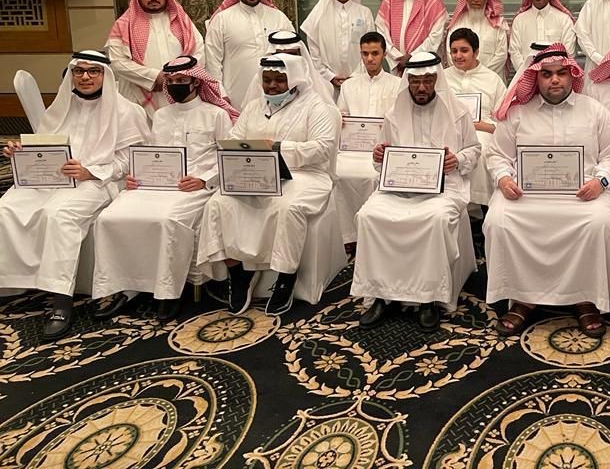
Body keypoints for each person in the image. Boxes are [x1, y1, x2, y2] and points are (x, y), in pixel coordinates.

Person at [0, 51, 148, 339]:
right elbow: (43, 147)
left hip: (99, 181)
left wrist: (89, 171)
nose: (85, 77)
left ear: (105, 75)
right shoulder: (60, 107)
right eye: (79, 71)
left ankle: (61, 301)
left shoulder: (127, 111)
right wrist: (19, 152)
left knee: (59, 215)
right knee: (7, 207)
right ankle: (12, 282)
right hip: (51, 179)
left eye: (93, 71)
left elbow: (132, 160)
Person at [485, 44, 610, 337]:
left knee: (598, 222)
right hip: (526, 194)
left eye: (561, 73)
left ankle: (586, 298)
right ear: (535, 78)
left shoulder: (594, 111)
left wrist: (600, 182)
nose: (555, 80)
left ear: (572, 74)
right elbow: (497, 154)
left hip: (584, 194)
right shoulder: (518, 113)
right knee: (498, 219)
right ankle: (522, 297)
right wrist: (503, 179)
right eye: (547, 74)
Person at [91, 56, 236, 321]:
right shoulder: (160, 115)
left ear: (196, 81)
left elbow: (228, 157)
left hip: (194, 187)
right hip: (156, 185)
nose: (175, 85)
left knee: (168, 220)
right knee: (110, 217)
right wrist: (136, 177)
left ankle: (168, 292)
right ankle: (124, 288)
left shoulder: (217, 115)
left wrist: (204, 180)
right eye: (171, 81)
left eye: (181, 80)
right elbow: (152, 154)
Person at [197, 54, 338, 317]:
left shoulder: (314, 106)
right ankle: (239, 274)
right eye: (267, 80)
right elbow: (234, 139)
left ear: (293, 80)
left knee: (286, 207)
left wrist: (278, 149)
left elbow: (322, 149)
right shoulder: (253, 106)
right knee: (218, 203)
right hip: (255, 175)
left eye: (279, 80)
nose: (272, 86)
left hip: (304, 175)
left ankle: (285, 277)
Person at [351, 52, 481, 331]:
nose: (421, 87)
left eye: (428, 81)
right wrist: (378, 155)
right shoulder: (393, 114)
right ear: (407, 82)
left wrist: (458, 159)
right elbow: (381, 159)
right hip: (398, 189)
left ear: (437, 80)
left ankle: (428, 299)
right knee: (369, 216)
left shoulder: (457, 112)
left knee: (434, 220)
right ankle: (380, 295)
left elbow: (474, 149)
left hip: (444, 188)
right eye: (415, 82)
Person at [335, 31, 404, 254]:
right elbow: (341, 115)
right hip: (351, 150)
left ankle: (374, 233)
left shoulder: (398, 84)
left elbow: (401, 121)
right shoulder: (349, 86)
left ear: (384, 54)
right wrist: (340, 119)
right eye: (365, 54)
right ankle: (348, 236)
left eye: (375, 53)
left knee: (375, 176)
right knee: (338, 174)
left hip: (383, 151)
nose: (370, 59)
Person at [107, 0, 206, 116]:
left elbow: (199, 51)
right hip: (137, 98)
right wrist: (154, 77)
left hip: (180, 92)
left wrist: (181, 76)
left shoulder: (182, 21)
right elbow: (117, 62)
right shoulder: (123, 25)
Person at [205, 0, 294, 107]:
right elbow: (212, 61)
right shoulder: (222, 19)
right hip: (236, 96)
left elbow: (294, 55)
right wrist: (220, 93)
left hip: (277, 94)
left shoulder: (279, 17)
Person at [446, 27, 507, 212]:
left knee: (481, 150)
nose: (458, 56)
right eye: (454, 51)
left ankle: (481, 207)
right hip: (447, 131)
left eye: (464, 50)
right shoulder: (442, 78)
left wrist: (479, 125)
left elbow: (505, 122)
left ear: (476, 52)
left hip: (483, 131)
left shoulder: (492, 79)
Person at [302, 0, 376, 89]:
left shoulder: (364, 13)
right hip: (326, 83)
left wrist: (356, 76)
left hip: (360, 81)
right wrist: (328, 76)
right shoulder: (319, 15)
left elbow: (372, 46)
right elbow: (314, 49)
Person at [375, 0, 448, 74]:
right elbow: (382, 34)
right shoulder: (388, 3)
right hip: (398, 67)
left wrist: (412, 57)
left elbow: (436, 37)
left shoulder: (433, 3)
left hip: (425, 66)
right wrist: (397, 58)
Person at [508, 0, 576, 71]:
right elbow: (514, 52)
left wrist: (550, 74)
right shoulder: (519, 20)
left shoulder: (564, 20)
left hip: (555, 77)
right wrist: (528, 74)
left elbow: (569, 53)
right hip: (524, 75)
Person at [447, 0, 509, 78]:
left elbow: (501, 55)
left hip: (491, 79)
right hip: (460, 79)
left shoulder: (498, 24)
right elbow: (450, 52)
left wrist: (482, 75)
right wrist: (466, 74)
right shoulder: (456, 23)